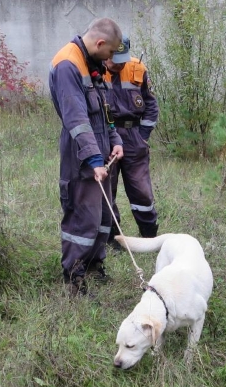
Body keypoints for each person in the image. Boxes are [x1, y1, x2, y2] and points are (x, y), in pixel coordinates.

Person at [49, 18, 124, 296]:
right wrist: (93, 159)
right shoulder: (68, 63)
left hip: (101, 152)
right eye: (112, 52)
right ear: (100, 43)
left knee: (103, 215)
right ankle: (74, 276)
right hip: (80, 154)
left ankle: (94, 266)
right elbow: (77, 119)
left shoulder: (94, 64)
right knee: (83, 218)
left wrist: (115, 141)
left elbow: (105, 111)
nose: (113, 59)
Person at [103, 35, 160, 247]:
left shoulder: (138, 69)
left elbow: (151, 105)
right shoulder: (93, 71)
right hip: (107, 137)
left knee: (142, 192)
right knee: (107, 191)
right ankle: (113, 240)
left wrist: (142, 136)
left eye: (122, 58)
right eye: (114, 59)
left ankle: (149, 239)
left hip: (133, 137)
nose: (118, 64)